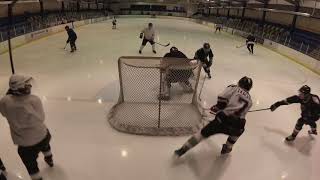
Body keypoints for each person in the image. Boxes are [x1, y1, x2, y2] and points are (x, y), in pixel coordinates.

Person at [174, 76, 253, 156]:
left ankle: (184, 149)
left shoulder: (234, 88)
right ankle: (227, 148)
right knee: (237, 132)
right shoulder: (250, 100)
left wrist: (218, 107)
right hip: (239, 124)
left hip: (223, 120)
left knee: (202, 133)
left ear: (239, 83)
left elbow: (222, 97)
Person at [0, 75, 54, 180]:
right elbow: (41, 118)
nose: (29, 86)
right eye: (26, 84)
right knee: (45, 145)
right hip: (42, 135)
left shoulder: (4, 101)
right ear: (22, 87)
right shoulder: (34, 100)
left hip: (25, 145)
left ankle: (36, 178)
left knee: (31, 166)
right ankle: (49, 158)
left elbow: (3, 113)